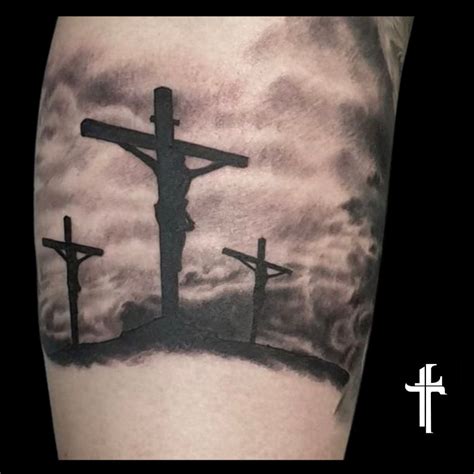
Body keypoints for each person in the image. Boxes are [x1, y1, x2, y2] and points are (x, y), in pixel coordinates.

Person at [35, 16, 413, 459]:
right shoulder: (163, 154)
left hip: (177, 218)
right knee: (169, 259)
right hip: (167, 215)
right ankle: (168, 317)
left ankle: (174, 314)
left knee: (175, 258)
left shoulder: (184, 167)